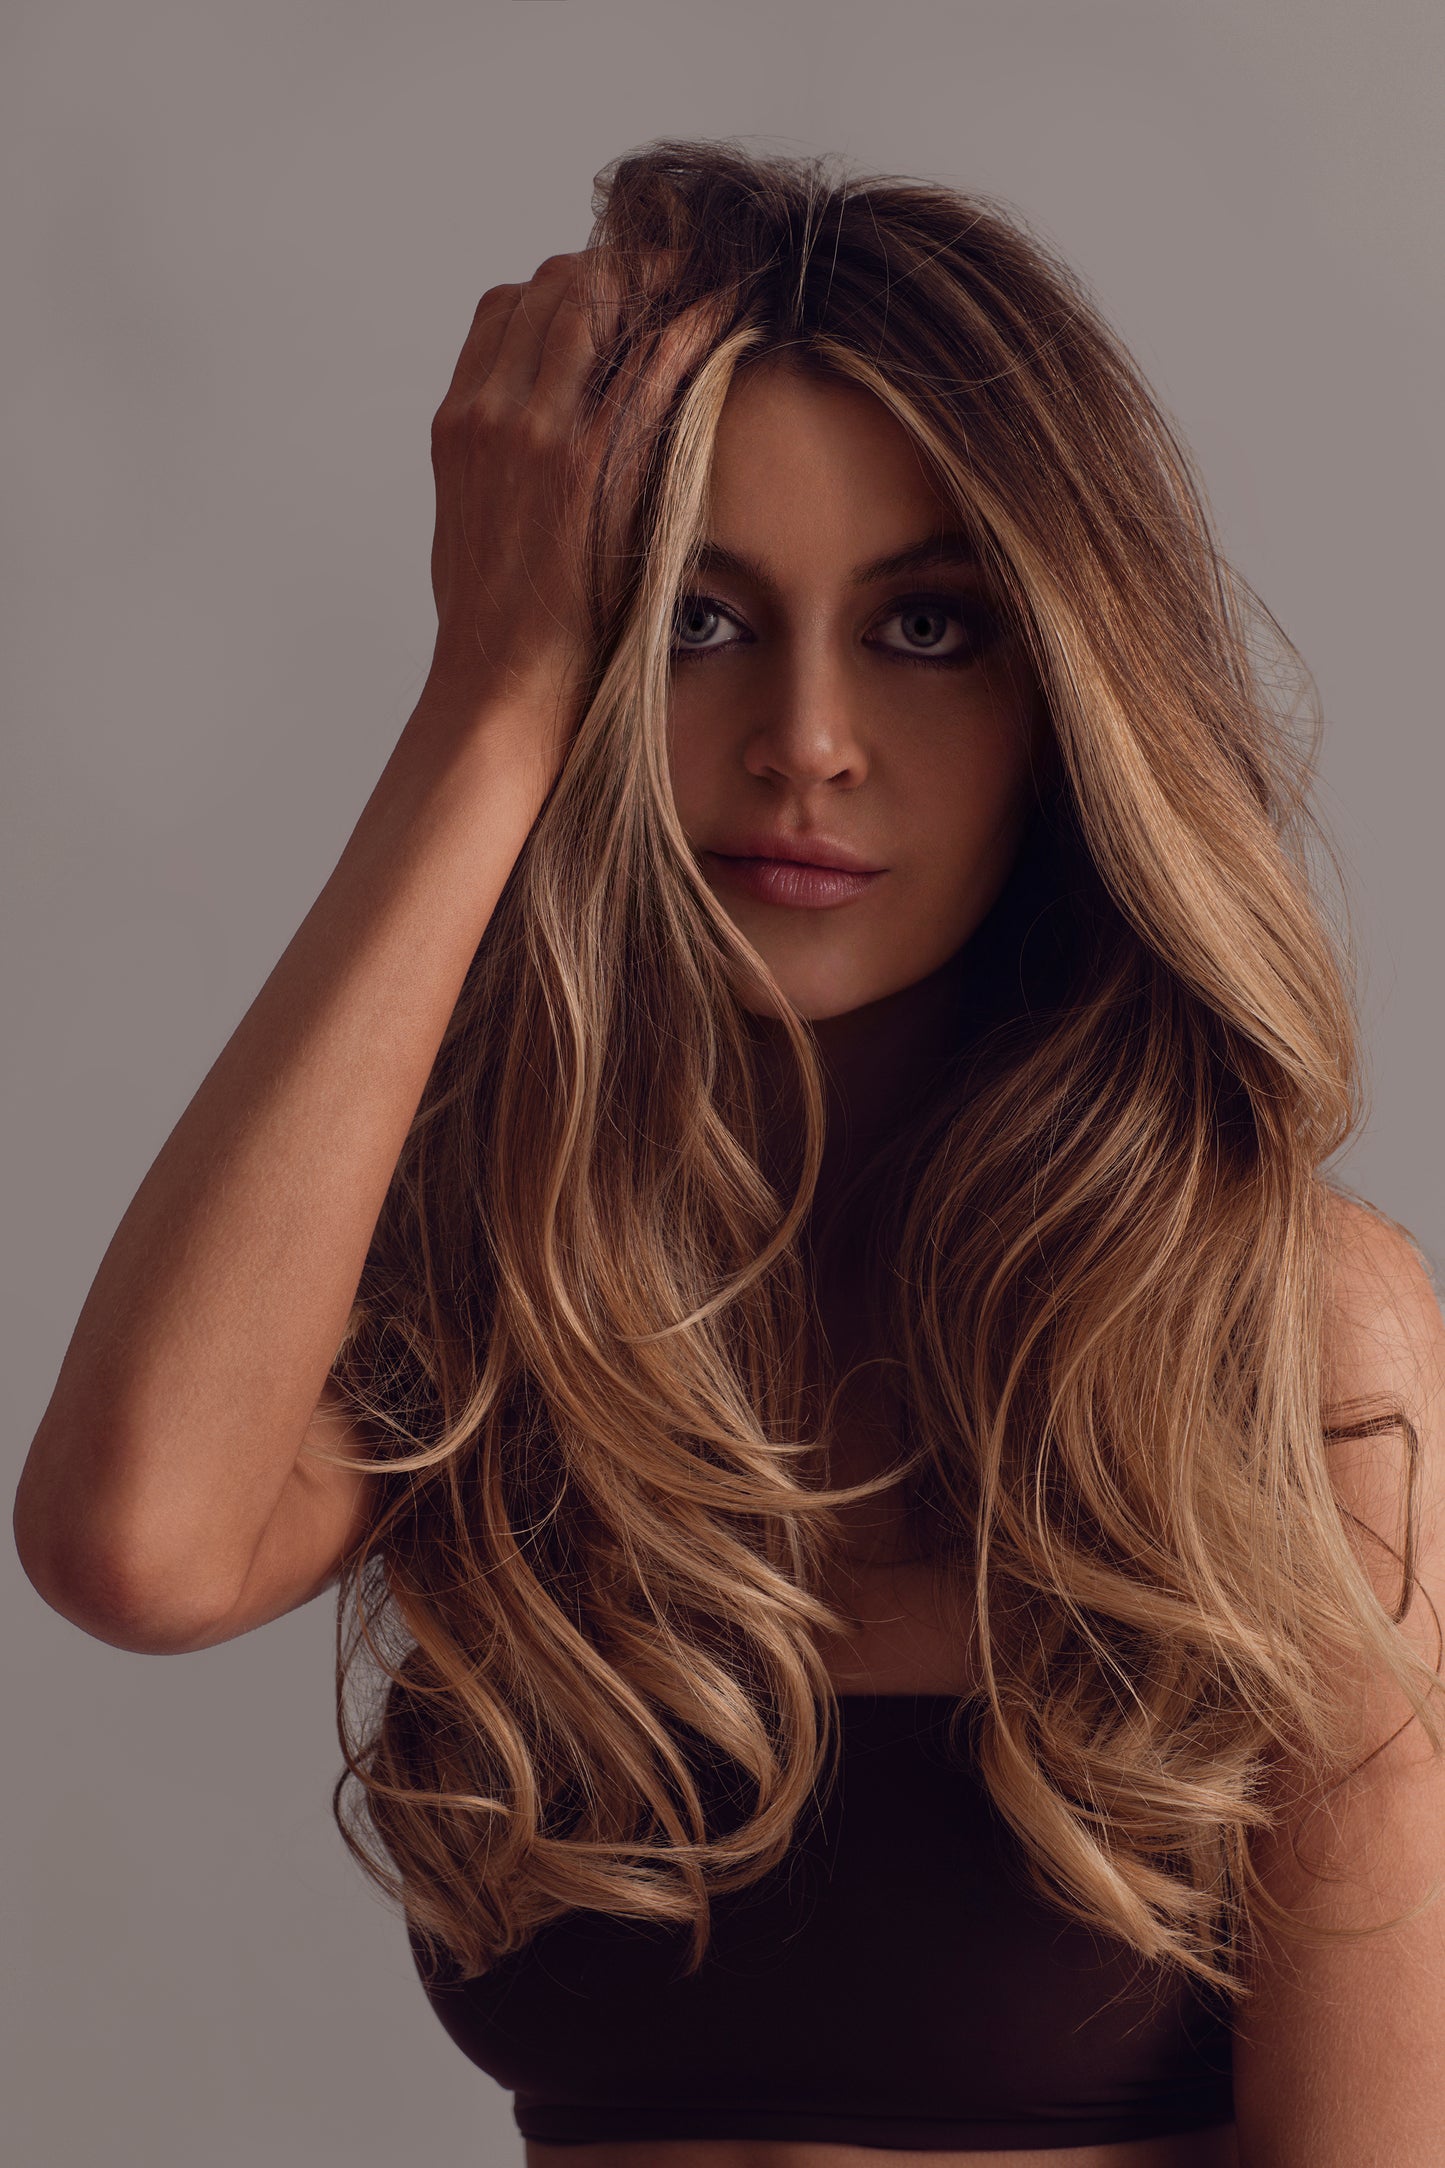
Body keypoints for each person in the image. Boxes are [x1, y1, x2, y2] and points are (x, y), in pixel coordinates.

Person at [14, 140, 1445, 2168]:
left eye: (925, 627)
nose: (805, 743)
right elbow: (135, 1541)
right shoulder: (509, 1290)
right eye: (698, 617)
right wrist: (489, 695)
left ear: (1063, 697)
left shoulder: (1279, 1331)